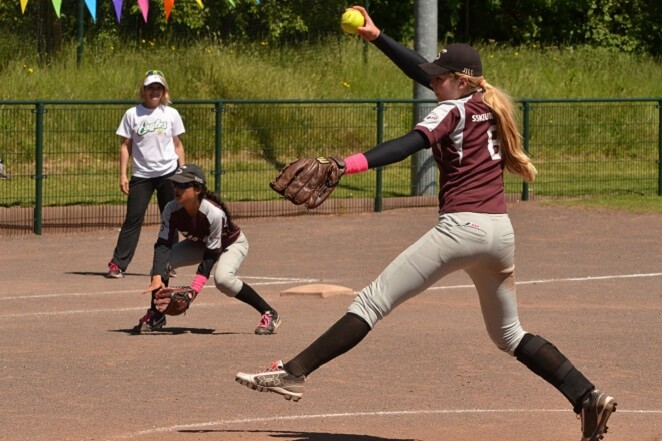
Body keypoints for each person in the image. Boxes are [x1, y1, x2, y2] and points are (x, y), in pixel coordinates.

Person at [235, 7, 616, 441]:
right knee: (510, 335)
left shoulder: (448, 112)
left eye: (441, 77)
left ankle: (294, 371)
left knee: (372, 302)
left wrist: (346, 164)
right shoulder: (486, 107)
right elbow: (424, 71)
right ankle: (587, 395)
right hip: (499, 233)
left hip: (461, 231)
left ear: (462, 81)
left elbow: (406, 146)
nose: (432, 82)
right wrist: (377, 36)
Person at [134, 163, 281, 336]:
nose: (176, 188)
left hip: (231, 244)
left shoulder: (213, 213)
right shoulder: (171, 209)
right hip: (200, 243)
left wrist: (194, 290)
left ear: (197, 189)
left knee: (223, 280)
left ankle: (269, 313)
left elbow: (211, 255)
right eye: (174, 184)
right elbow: (163, 244)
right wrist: (157, 277)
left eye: (182, 185)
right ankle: (157, 315)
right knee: (159, 266)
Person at [106, 70, 185, 278]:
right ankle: (118, 264)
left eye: (158, 88)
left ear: (164, 91)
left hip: (168, 172)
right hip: (142, 175)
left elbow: (177, 144)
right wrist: (123, 174)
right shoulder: (133, 114)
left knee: (170, 218)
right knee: (133, 218)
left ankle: (170, 260)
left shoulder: (171, 114)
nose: (154, 91)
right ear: (144, 91)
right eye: (151, 88)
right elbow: (126, 146)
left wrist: (183, 173)